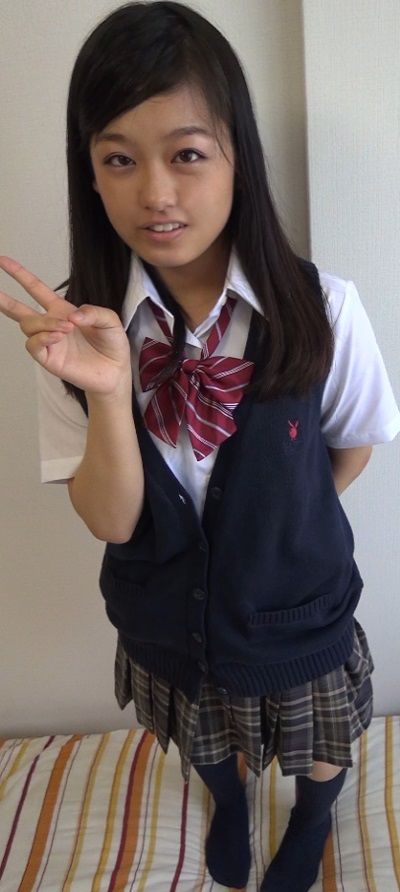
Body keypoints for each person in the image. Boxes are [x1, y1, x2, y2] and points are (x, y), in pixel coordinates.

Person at [0, 3, 399, 889]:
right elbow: (113, 519)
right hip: (164, 619)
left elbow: (350, 448)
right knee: (204, 733)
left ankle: (315, 814)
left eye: (186, 154)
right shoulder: (70, 331)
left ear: (236, 158)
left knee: (319, 738)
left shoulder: (324, 308)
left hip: (297, 612)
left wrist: (274, 530)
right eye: (118, 159)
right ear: (89, 172)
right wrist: (109, 392)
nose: (155, 192)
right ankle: (229, 800)